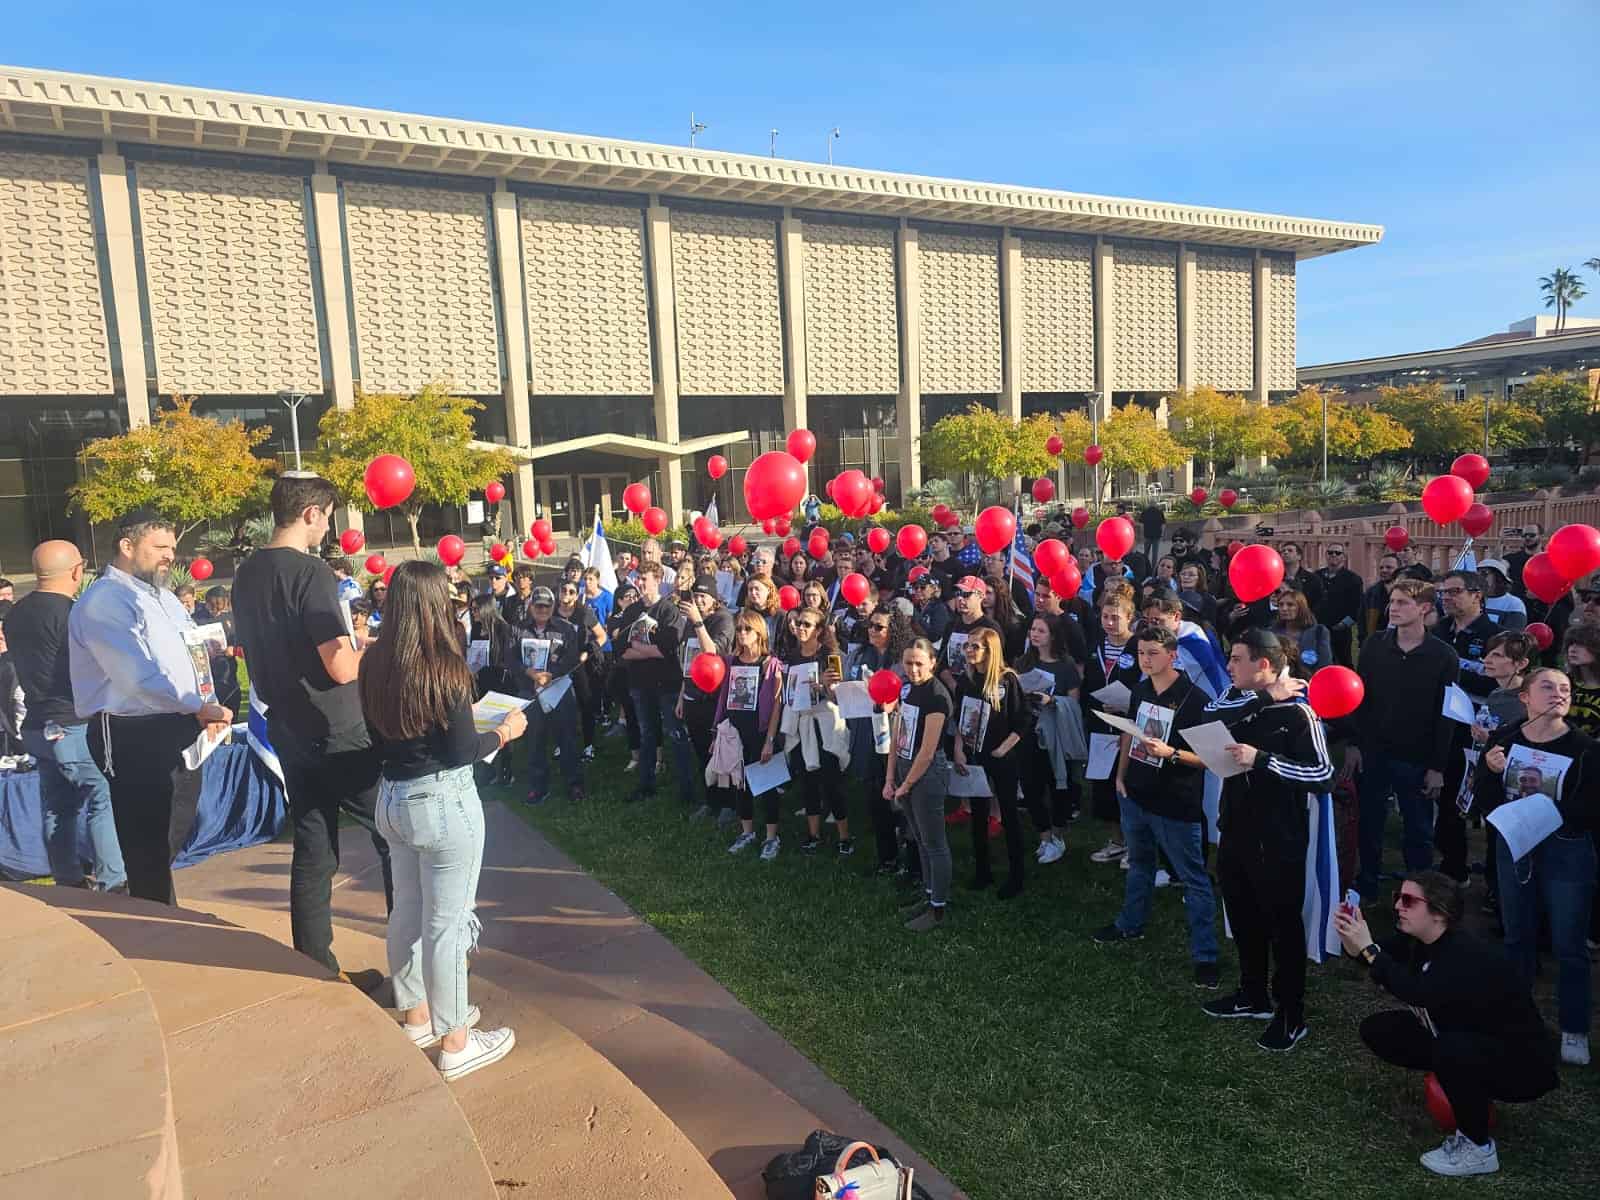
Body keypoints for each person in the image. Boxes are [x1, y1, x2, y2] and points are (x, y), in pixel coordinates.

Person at [359, 560, 527, 1081]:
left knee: (408, 911)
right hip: (441, 801)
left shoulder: (373, 662)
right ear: (434, 605)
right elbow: (460, 750)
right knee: (447, 924)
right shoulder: (445, 668)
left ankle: (418, 1014)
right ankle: (455, 1041)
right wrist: (503, 733)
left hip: (391, 797)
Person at [232, 475, 393, 981]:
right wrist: (381, 656)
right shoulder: (312, 574)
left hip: (287, 726)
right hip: (337, 727)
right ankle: (415, 969)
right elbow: (340, 667)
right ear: (312, 514)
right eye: (328, 516)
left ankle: (315, 965)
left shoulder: (245, 574)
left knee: (314, 843)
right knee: (396, 834)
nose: (328, 527)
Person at [1335, 871, 1558, 1178]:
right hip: (1471, 1036)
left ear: (1439, 914)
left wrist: (1370, 950)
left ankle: (1477, 1147)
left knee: (1451, 1049)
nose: (1399, 905)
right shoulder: (1417, 938)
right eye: (1397, 897)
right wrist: (1355, 943)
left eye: (1409, 901)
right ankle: (1462, 1084)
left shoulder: (1464, 955)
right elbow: (1379, 958)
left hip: (1523, 1065)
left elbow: (1418, 992)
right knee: (1382, 1030)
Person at [68, 510, 233, 905]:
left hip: (180, 722)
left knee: (170, 831)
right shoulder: (104, 601)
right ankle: (152, 924)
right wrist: (198, 706)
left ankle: (153, 909)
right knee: (146, 841)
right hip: (130, 732)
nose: (169, 557)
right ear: (127, 546)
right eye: (160, 547)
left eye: (172, 548)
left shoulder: (164, 599)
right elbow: (136, 678)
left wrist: (205, 704)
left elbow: (191, 657)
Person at [1199, 629, 1334, 1051]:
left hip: (1278, 838)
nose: (1228, 666)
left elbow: (1322, 774)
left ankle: (1291, 1013)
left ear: (1263, 664)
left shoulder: (1300, 714)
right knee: (1242, 915)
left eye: (1237, 659)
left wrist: (1264, 760)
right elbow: (1206, 719)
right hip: (1235, 828)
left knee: (1282, 925)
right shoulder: (1242, 700)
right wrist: (1260, 702)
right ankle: (1252, 993)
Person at [1474, 667, 1596, 1067]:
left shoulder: (1585, 747)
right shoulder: (1504, 740)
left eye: (1565, 688)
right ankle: (1517, 1018)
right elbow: (1485, 800)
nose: (1559, 693)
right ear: (1525, 696)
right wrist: (1490, 773)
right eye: (1548, 686)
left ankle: (1574, 1028)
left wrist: (1546, 816)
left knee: (1568, 945)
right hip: (1515, 849)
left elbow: (1590, 809)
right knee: (1517, 938)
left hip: (1566, 852)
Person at [1092, 624, 1220, 988]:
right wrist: (1120, 775)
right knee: (1139, 866)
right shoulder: (1140, 690)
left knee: (1194, 879)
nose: (1145, 660)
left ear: (1172, 655)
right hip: (1135, 794)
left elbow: (1210, 759)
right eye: (1141, 653)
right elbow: (1129, 733)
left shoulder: (1195, 700)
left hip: (1175, 803)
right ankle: (1130, 924)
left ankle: (1205, 956)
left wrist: (1173, 754)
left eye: (1153, 653)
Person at [4, 540, 126, 892]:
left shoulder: (15, 615)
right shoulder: (75, 613)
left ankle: (67, 879)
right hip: (73, 721)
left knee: (58, 807)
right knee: (103, 798)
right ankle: (113, 882)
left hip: (37, 723)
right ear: (76, 570)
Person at [1349, 578, 1459, 897]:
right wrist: (1355, 743)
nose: (1392, 609)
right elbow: (1360, 698)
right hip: (1374, 753)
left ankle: (1418, 894)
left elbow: (1446, 714)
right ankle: (1367, 885)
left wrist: (1437, 766)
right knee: (1369, 826)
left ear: (1424, 609)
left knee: (1418, 832)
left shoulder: (1443, 656)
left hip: (1417, 757)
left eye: (1401, 603)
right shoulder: (1373, 645)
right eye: (1391, 602)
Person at [952, 627, 1033, 898]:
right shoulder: (966, 681)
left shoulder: (1007, 680)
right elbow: (960, 719)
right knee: (978, 814)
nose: (969, 651)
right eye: (967, 646)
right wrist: (959, 750)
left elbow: (1023, 720)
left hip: (1003, 757)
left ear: (990, 650)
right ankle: (982, 871)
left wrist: (1004, 748)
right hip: (975, 756)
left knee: (1009, 813)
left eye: (975, 646)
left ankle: (1017, 875)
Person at [765, 605, 851, 853]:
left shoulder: (830, 655)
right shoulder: (791, 656)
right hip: (801, 725)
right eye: (798, 623)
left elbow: (840, 699)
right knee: (808, 781)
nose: (800, 628)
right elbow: (786, 694)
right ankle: (813, 834)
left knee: (832, 781)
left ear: (820, 629)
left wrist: (825, 687)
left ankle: (844, 836)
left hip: (825, 725)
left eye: (807, 624)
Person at [885, 638, 954, 931]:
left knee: (935, 843)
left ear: (932, 663)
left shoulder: (938, 697)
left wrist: (906, 784)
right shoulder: (907, 689)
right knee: (921, 840)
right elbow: (897, 733)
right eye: (908, 663)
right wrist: (891, 778)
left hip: (926, 775)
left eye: (918, 664)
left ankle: (938, 907)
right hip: (904, 769)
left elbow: (927, 751)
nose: (912, 669)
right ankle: (928, 894)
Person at [622, 562, 696, 806]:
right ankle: (646, 785)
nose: (640, 583)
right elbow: (622, 650)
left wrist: (640, 648)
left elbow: (668, 648)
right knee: (647, 735)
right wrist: (649, 650)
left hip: (667, 684)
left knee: (676, 734)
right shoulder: (631, 612)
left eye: (645, 578)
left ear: (658, 579)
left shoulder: (668, 611)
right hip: (639, 683)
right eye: (638, 578)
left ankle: (687, 789)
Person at [717, 608, 787, 859]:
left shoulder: (771, 665)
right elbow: (724, 698)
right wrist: (719, 732)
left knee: (768, 786)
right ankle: (747, 832)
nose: (742, 633)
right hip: (736, 732)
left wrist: (769, 740)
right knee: (741, 784)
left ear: (759, 633)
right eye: (739, 629)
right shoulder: (731, 662)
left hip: (761, 733)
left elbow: (777, 705)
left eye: (747, 629)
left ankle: (771, 837)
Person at [1016, 613, 1084, 864]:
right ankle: (1044, 837)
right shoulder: (1022, 663)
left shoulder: (1065, 667)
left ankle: (1057, 836)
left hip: (1056, 735)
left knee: (1058, 788)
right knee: (1031, 788)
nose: (1034, 634)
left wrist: (1052, 700)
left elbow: (1074, 704)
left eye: (1041, 630)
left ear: (1053, 636)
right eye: (1033, 629)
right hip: (1027, 733)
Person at [1085, 591, 1142, 865]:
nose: (1108, 623)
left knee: (1127, 786)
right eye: (1105, 617)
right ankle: (1116, 840)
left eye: (1115, 618)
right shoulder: (1096, 645)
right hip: (1100, 725)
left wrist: (1127, 706)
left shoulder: (1139, 647)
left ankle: (1135, 844)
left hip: (1129, 727)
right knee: (1103, 787)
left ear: (1130, 619)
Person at [518, 585, 585, 803]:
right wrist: (528, 673)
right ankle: (538, 786)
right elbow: (509, 658)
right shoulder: (518, 629)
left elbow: (572, 658)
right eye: (538, 605)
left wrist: (551, 675)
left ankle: (574, 783)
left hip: (558, 689)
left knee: (567, 738)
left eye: (547, 606)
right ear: (531, 606)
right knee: (535, 740)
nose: (542, 610)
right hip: (531, 692)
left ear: (553, 606)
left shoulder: (565, 629)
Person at [677, 575, 736, 822]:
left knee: (719, 752)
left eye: (704, 596)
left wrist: (699, 622)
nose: (699, 600)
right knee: (701, 752)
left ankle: (728, 804)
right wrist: (681, 696)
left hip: (714, 697)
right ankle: (710, 800)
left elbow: (712, 651)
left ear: (714, 598)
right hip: (692, 695)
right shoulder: (692, 622)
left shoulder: (723, 619)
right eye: (696, 596)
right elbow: (686, 661)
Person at [555, 578, 608, 763]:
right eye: (563, 590)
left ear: (577, 595)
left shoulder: (584, 612)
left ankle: (588, 745)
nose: (566, 595)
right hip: (559, 666)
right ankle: (562, 744)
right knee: (559, 705)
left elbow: (602, 636)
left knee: (585, 705)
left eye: (571, 591)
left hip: (581, 666)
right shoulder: (553, 612)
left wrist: (589, 650)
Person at [1314, 542, 1363, 666]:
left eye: (1338, 553)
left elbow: (1357, 605)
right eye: (1330, 552)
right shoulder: (1317, 576)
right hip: (1318, 627)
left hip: (1340, 630)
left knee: (1343, 661)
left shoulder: (1353, 579)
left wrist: (1344, 624)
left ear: (1344, 557)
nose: (1333, 555)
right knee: (1318, 660)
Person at [1272, 588, 1332, 675]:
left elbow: (1325, 665)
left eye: (1290, 605)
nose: (1284, 608)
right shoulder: (1271, 633)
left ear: (1301, 608)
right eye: (1281, 605)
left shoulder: (1319, 632)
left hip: (1310, 683)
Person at [1358, 552, 1400, 646]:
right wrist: (1363, 643)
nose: (1384, 570)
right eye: (1381, 567)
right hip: (1374, 644)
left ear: (1399, 570)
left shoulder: (1406, 593)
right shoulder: (1370, 593)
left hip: (1398, 644)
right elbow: (1362, 621)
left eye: (1389, 567)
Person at [1476, 560, 1528, 631]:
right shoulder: (1473, 600)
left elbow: (1512, 635)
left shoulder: (1514, 603)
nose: (1479, 578)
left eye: (1484, 573)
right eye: (1477, 574)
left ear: (1499, 578)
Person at [1504, 525, 1541, 598]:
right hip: (1518, 604)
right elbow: (1494, 565)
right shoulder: (1513, 558)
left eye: (1532, 535)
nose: (1527, 538)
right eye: (1524, 535)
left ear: (1540, 536)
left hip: (1542, 605)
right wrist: (1500, 541)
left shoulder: (1548, 558)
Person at [1139, 500, 1165, 566]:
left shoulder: (1145, 512)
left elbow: (1142, 525)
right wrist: (1162, 534)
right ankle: (1154, 567)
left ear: (1149, 504)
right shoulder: (1159, 512)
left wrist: (1142, 534)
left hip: (1147, 535)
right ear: (1155, 504)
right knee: (1155, 553)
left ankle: (1145, 565)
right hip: (1157, 535)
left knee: (1146, 552)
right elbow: (1163, 525)